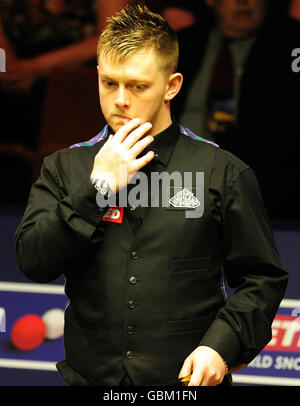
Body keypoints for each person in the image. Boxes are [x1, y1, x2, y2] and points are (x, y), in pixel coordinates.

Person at [15, 5, 288, 387]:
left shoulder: (221, 171)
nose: (120, 100)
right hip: (90, 380)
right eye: (109, 83)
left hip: (185, 384)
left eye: (137, 86)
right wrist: (97, 189)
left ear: (172, 86)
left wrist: (222, 346)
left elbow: (262, 277)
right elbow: (33, 261)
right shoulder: (65, 168)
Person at [173, 0, 300, 219]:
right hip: (176, 177)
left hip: (255, 186)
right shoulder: (180, 44)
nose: (243, 2)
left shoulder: (293, 44)